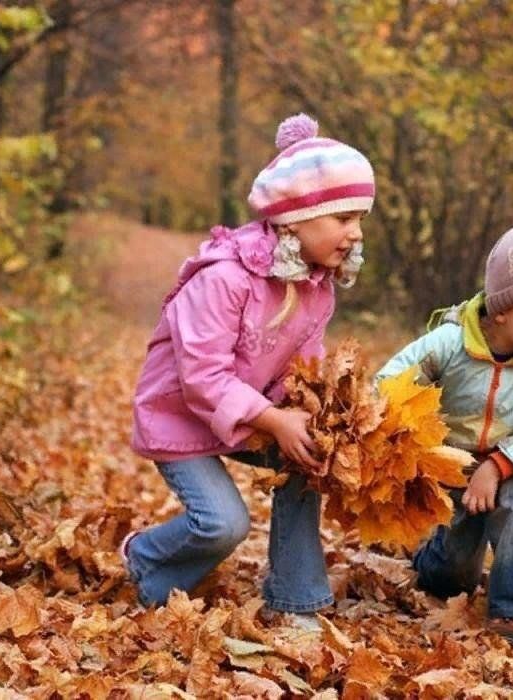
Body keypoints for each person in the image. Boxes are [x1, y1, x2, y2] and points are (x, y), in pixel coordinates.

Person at [121, 114, 374, 626]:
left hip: (249, 412)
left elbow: (304, 364)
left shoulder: (314, 284)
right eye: (343, 218)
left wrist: (316, 413)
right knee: (223, 524)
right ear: (294, 220)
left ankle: (295, 597)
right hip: (181, 416)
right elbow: (202, 378)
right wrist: (277, 421)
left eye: (360, 219)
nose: (355, 233)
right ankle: (146, 559)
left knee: (307, 456)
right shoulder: (225, 279)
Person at [375, 224, 513, 649]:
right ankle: (431, 560)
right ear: (502, 309)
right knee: (456, 571)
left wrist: (500, 464)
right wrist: (414, 440)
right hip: (455, 459)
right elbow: (389, 385)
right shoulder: (451, 343)